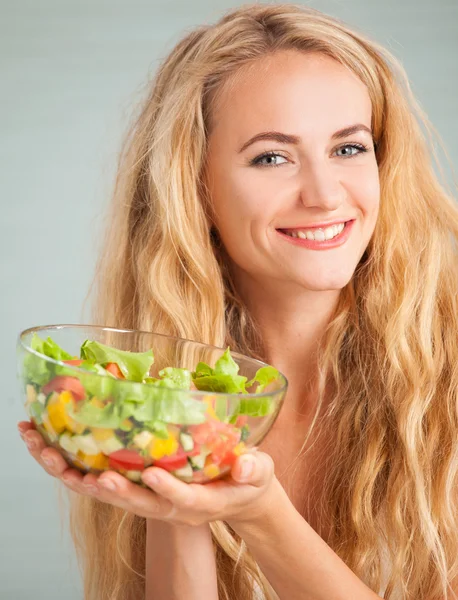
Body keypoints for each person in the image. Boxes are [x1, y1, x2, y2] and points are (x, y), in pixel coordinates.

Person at [18, 3, 458, 599]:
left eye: (349, 148)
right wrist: (175, 494)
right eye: (271, 157)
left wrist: (260, 514)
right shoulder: (164, 398)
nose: (326, 195)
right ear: (194, 187)